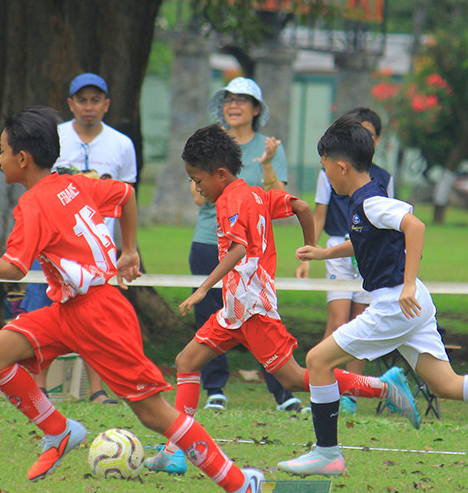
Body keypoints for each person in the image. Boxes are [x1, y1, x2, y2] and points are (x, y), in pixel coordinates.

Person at [0, 106, 262, 493]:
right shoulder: (74, 184)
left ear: (23, 158)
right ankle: (59, 430)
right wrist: (129, 249)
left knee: (155, 414)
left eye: (2, 152)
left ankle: (238, 482)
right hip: (70, 310)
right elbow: (126, 195)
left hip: (100, 314)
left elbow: (13, 267)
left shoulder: (33, 204)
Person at [278, 117, 468, 477]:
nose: (326, 176)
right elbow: (364, 240)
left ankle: (327, 454)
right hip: (412, 305)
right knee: (446, 384)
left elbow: (414, 226)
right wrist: (324, 254)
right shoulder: (364, 201)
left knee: (317, 361)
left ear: (341, 166)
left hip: (396, 303)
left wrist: (406, 284)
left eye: (326, 170)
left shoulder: (371, 201)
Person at [144, 124, 420, 475]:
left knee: (294, 379)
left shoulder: (230, 200)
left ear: (221, 173)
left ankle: (383, 387)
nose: (196, 188)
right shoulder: (256, 193)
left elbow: (239, 248)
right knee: (186, 361)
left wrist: (203, 288)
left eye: (198, 180)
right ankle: (177, 450)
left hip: (254, 311)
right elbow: (302, 206)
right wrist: (309, 247)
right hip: (234, 311)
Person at [190, 76, 300, 414]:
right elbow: (198, 198)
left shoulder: (269, 146)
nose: (233, 105)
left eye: (242, 100)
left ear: (255, 109)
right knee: (210, 314)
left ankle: (283, 390)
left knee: (257, 318)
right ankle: (215, 389)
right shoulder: (210, 145)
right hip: (209, 241)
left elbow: (278, 193)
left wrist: (266, 163)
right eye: (228, 99)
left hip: (253, 252)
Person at [29, 72, 139, 405]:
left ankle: (97, 391)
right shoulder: (54, 137)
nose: (88, 107)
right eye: (82, 100)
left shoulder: (122, 144)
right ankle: (40, 389)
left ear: (106, 105)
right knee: (41, 309)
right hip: (52, 244)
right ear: (70, 104)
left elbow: (125, 197)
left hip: (97, 248)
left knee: (94, 320)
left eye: (95, 101)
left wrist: (126, 248)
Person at [295, 107, 393, 414]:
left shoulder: (382, 180)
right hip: (339, 248)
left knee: (359, 322)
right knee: (337, 322)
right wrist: (312, 251)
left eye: (369, 134)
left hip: (366, 253)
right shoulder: (332, 171)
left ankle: (352, 392)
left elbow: (399, 224)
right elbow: (320, 213)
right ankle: (324, 387)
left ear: (376, 139)